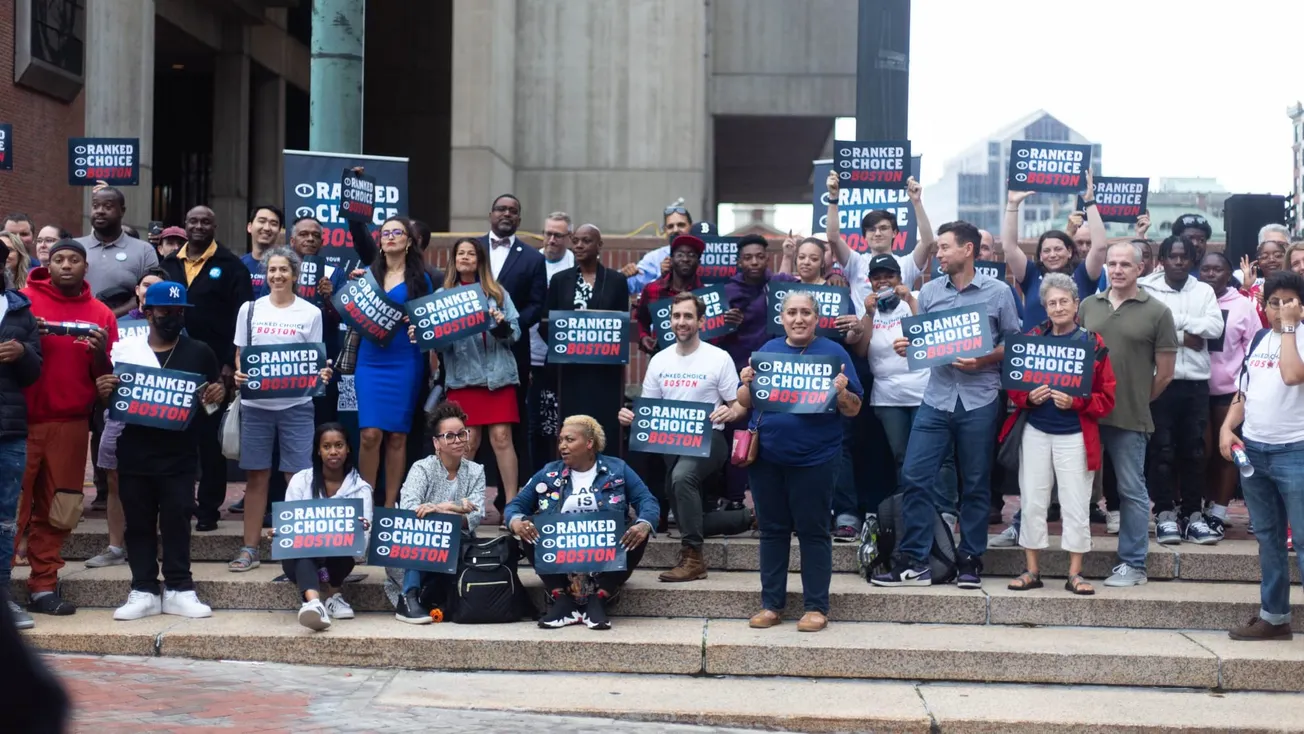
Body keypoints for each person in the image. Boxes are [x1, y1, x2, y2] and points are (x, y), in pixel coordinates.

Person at [870, 221, 1020, 590]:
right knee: (915, 477)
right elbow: (925, 340)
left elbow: (1015, 345)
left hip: (979, 399)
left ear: (967, 250)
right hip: (936, 398)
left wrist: (983, 359)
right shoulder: (930, 291)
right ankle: (916, 560)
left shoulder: (999, 292)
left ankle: (970, 559)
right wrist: (911, 346)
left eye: (944, 248)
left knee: (975, 483)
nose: (938, 254)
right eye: (937, 248)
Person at [94, 281, 223, 620]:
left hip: (180, 453)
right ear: (148, 312)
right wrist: (104, 391)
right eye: (165, 311)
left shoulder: (200, 351)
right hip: (135, 451)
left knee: (178, 517)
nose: (173, 316)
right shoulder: (125, 350)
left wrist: (216, 398)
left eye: (179, 311)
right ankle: (144, 589)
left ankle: (180, 587)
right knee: (137, 521)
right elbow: (111, 403)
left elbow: (210, 412)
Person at [737, 290, 862, 632]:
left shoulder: (835, 353)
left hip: (816, 458)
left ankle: (816, 607)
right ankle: (771, 605)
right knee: (773, 532)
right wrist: (745, 383)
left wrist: (841, 392)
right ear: (782, 318)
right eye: (791, 312)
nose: (798, 318)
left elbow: (854, 408)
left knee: (814, 531)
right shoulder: (767, 352)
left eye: (805, 312)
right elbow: (745, 401)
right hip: (768, 458)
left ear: (816, 318)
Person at [618, 292, 752, 582]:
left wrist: (732, 413)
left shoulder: (718, 358)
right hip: (670, 443)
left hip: (710, 440)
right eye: (676, 316)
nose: (681, 322)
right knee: (684, 513)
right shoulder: (660, 361)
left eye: (688, 316)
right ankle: (748, 519)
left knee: (682, 479)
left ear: (701, 321)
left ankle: (693, 558)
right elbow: (650, 412)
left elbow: (739, 405)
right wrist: (630, 417)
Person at [1000, 273, 1116, 595]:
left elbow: (1107, 397)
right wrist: (1027, 397)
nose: (1058, 306)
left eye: (1064, 300)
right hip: (1036, 431)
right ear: (1045, 308)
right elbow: (1014, 385)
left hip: (1075, 433)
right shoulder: (1032, 338)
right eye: (1052, 302)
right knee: (1033, 500)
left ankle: (1075, 573)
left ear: (1076, 304)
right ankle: (1032, 569)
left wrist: (1077, 401)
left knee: (1076, 502)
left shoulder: (1093, 343)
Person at [19, 239, 116, 616]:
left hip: (72, 423)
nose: (65, 265)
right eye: (58, 259)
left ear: (84, 267)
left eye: (73, 260)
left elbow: (107, 379)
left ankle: (43, 585)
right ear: (47, 262)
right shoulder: (22, 301)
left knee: (60, 506)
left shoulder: (101, 313)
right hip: (21, 423)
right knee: (12, 507)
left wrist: (99, 352)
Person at [1079, 241, 1179, 587]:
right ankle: (1072, 558)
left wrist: (1136, 398)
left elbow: (1165, 373)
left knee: (1132, 490)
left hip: (1130, 417)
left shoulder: (1158, 312)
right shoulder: (1088, 306)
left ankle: (1133, 564)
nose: (1118, 269)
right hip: (1086, 414)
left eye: (1125, 264)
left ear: (1141, 269)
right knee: (1073, 485)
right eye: (1112, 263)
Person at [228, 247, 332, 572]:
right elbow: (241, 354)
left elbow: (315, 361)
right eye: (272, 270)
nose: (277, 276)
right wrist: (238, 373)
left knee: (298, 477)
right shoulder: (249, 309)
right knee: (257, 476)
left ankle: (299, 544)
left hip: (297, 405)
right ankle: (249, 548)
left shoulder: (310, 313)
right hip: (255, 406)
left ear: (295, 275)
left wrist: (322, 374)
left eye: (283, 270)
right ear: (265, 274)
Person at [507, 415, 659, 630]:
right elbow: (516, 506)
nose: (562, 446)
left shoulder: (618, 469)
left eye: (570, 440)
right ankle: (561, 599)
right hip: (562, 557)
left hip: (604, 557)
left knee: (635, 530)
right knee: (530, 525)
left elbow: (647, 500)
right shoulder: (549, 472)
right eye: (561, 440)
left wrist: (644, 523)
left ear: (589, 443)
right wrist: (516, 521)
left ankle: (600, 597)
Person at [1219, 270, 1304, 641]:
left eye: (1289, 301)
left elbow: (1291, 375)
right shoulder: (1257, 339)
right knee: (1269, 539)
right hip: (1255, 451)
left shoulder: (1298, 337)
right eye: (1274, 302)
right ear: (1264, 305)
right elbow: (1244, 392)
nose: (1281, 308)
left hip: (1295, 451)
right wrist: (1227, 427)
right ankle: (1274, 616)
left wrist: (1289, 327)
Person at [160, 205, 253, 531]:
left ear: (215, 226)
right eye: (193, 221)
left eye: (205, 221)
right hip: (171, 367)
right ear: (185, 225)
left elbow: (242, 318)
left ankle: (209, 510)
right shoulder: (168, 264)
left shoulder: (230, 266)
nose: (198, 226)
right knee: (175, 439)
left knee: (208, 442)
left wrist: (230, 364)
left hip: (214, 369)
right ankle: (179, 505)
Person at [1140, 234, 1224, 545]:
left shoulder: (1202, 289)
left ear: (1192, 260)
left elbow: (1214, 329)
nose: (1178, 261)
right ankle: (1164, 514)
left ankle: (1193, 515)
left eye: (1184, 257)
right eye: (1172, 256)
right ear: (1162, 259)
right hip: (1160, 381)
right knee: (1162, 451)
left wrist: (1172, 324)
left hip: (1195, 384)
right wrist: (1183, 335)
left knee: (1195, 451)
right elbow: (1145, 330)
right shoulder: (1147, 288)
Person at [863, 254, 956, 524]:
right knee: (903, 457)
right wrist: (867, 314)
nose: (883, 282)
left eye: (889, 277)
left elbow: (933, 331)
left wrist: (910, 300)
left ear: (900, 279)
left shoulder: (917, 296)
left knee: (940, 454)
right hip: (888, 396)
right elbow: (860, 348)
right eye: (877, 278)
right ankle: (913, 510)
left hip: (926, 390)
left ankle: (946, 511)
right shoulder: (869, 306)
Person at [85, 269, 169, 568]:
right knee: (114, 478)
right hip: (120, 413)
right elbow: (104, 366)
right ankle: (115, 546)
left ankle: (150, 543)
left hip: (159, 415)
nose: (150, 292)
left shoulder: (174, 328)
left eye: (158, 288)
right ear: (137, 290)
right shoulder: (117, 324)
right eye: (147, 285)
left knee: (156, 481)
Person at [433, 238, 520, 511]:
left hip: (498, 376)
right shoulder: (442, 295)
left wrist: (500, 325)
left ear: (480, 260)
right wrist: (443, 332)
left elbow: (516, 333)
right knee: (466, 442)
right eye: (461, 253)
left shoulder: (497, 292)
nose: (466, 257)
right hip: (463, 378)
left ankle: (512, 504)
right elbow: (437, 345)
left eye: (471, 253)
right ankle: (463, 504)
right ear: (454, 260)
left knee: (502, 438)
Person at [475, 194, 546, 518]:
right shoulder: (470, 248)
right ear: (490, 214)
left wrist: (509, 322)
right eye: (501, 209)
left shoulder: (532, 258)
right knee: (470, 434)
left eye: (513, 211)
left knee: (508, 432)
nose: (507, 214)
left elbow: (536, 304)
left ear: (519, 218)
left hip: (510, 354)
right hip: (468, 357)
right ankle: (467, 505)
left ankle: (511, 503)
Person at [354, 217, 433, 508]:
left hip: (404, 360)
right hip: (371, 361)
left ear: (409, 241)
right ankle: (365, 503)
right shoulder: (366, 276)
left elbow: (428, 321)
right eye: (385, 233)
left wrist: (418, 325)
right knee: (369, 434)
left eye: (397, 232)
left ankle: (389, 506)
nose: (390, 237)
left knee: (398, 436)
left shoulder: (421, 279)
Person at [276, 422, 374, 631]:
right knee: (305, 545)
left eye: (339, 445)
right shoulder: (300, 481)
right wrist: (280, 532)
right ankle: (313, 603)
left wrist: (361, 531)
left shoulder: (361, 489)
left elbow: (362, 548)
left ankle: (333, 597)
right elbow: (289, 528)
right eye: (326, 447)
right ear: (318, 451)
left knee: (340, 540)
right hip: (298, 560)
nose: (333, 452)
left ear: (348, 449)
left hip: (338, 560)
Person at [394, 402, 485, 623]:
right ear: (437, 442)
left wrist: (440, 508)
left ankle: (428, 596)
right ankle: (409, 597)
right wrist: (457, 508)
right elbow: (410, 510)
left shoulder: (476, 470)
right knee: (420, 541)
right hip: (421, 543)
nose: (457, 441)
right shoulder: (422, 468)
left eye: (462, 434)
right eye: (450, 436)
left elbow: (474, 516)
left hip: (458, 546)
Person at [540, 224, 628, 449]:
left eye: (586, 241)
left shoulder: (616, 281)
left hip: (604, 373)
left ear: (599, 245)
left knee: (604, 428)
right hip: (568, 372)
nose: (579, 245)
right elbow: (545, 324)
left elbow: (622, 326)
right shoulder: (560, 280)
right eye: (575, 240)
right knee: (570, 429)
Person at [1199, 252, 1260, 537]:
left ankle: (1220, 511)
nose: (1211, 274)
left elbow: (1253, 348)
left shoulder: (1243, 305)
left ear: (1229, 274)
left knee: (1227, 453)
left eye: (1218, 269)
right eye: (1206, 269)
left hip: (1229, 392)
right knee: (1201, 451)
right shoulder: (1194, 298)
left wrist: (1244, 387)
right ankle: (1199, 507)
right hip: (1195, 388)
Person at [1002, 173, 1108, 328]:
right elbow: (1009, 247)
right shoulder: (1031, 275)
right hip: (1034, 349)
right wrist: (1012, 204)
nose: (1052, 254)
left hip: (1074, 348)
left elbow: (1100, 247)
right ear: (1040, 255)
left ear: (1070, 252)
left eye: (1058, 249)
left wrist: (1089, 201)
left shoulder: (1083, 274)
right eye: (1046, 251)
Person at [0, 235, 41, 630]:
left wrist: (23, 353)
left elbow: (34, 373)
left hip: (8, 431)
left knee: (3, 520)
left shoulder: (21, 312)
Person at [826, 171, 933, 304]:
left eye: (883, 228)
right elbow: (833, 237)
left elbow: (928, 242)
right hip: (864, 324)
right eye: (871, 230)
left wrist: (916, 201)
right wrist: (833, 197)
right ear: (864, 236)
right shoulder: (856, 263)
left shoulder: (906, 264)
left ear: (894, 233)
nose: (877, 233)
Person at [527, 213, 575, 470]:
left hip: (564, 359)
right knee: (534, 425)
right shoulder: (531, 262)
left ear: (569, 237)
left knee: (560, 423)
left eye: (558, 235)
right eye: (548, 234)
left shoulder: (577, 265)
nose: (552, 240)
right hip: (530, 354)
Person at [76, 187, 160, 317]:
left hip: (124, 329)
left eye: (108, 207)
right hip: (77, 326)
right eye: (95, 206)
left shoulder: (144, 250)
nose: (100, 211)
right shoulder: (75, 247)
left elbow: (149, 294)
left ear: (122, 210)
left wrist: (108, 316)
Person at [634, 234, 706, 353]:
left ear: (698, 262)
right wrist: (643, 337)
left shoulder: (705, 296)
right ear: (671, 260)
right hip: (661, 358)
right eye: (680, 255)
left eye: (691, 255)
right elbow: (640, 319)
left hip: (697, 361)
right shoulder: (653, 289)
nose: (685, 259)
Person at [622, 204, 694, 295]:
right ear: (665, 230)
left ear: (691, 227)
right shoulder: (654, 258)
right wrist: (623, 276)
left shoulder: (705, 253)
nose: (675, 230)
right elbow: (630, 287)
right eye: (670, 226)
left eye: (681, 225)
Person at [1240, 225, 1290, 328]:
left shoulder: (1298, 285)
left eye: (1280, 245)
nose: (1272, 259)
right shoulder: (1250, 290)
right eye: (1268, 244)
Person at [239, 205, 284, 291]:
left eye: (273, 224)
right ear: (249, 227)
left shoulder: (286, 267)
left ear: (279, 230)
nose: (267, 228)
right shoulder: (238, 265)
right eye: (262, 221)